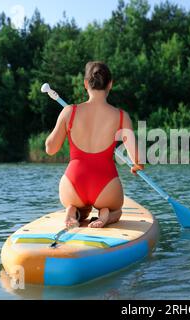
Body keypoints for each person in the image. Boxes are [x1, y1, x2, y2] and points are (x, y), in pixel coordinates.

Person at [45, 61, 143, 228]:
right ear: (110, 84)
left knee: (81, 208)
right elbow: (138, 159)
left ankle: (73, 211)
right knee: (117, 210)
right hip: (105, 184)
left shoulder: (69, 111)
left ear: (85, 84)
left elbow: (50, 149)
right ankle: (106, 214)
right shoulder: (121, 116)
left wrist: (62, 124)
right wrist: (136, 166)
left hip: (73, 184)